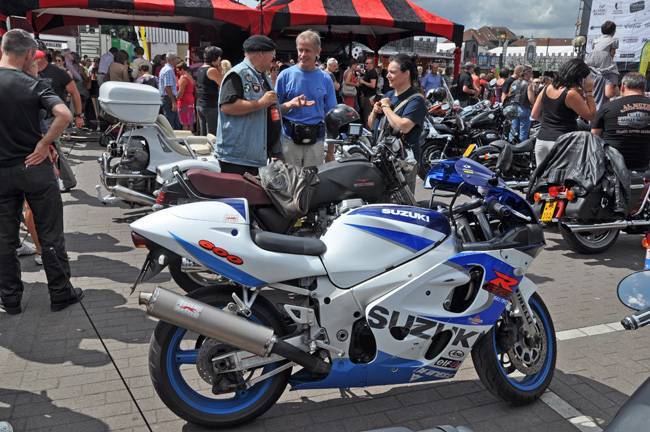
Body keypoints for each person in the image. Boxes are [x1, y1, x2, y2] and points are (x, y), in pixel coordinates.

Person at [0, 29, 83, 315]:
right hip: (34, 166)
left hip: (2, 171)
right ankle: (60, 292)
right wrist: (44, 143)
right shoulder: (33, 84)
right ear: (27, 54)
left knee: (4, 238)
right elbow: (64, 115)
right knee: (50, 233)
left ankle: (10, 298)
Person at [215, 35, 283, 176]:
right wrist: (260, 103)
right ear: (261, 53)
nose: (273, 58)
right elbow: (227, 107)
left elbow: (266, 110)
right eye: (272, 54)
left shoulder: (261, 76)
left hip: (256, 156)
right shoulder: (238, 74)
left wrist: (289, 106)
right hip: (238, 158)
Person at [276, 30, 338, 166]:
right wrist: (290, 104)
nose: (303, 55)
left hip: (316, 142)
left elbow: (332, 117)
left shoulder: (326, 79)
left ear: (318, 51)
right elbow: (274, 111)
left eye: (307, 50)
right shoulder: (285, 76)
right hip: (289, 141)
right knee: (289, 179)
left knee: (313, 178)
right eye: (300, 50)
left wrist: (330, 151)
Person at [367, 53, 426, 190]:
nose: (387, 75)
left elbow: (404, 126)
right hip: (382, 162)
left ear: (406, 74)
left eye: (392, 72)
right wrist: (374, 111)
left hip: (402, 166)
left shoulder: (416, 100)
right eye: (387, 72)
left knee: (400, 202)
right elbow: (371, 125)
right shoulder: (388, 95)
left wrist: (386, 107)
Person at [531, 58, 597, 165]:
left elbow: (534, 114)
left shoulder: (547, 88)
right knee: (563, 176)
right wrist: (589, 92)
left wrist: (550, 124)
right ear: (578, 77)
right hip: (563, 142)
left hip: (542, 140)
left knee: (542, 175)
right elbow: (591, 115)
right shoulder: (571, 94)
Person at [591, 72, 650, 171]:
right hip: (643, 165)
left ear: (622, 87)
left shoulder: (607, 107)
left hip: (613, 166)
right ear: (644, 88)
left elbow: (594, 136)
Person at [586, 20, 620, 110]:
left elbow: (595, 50)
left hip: (592, 63)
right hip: (605, 63)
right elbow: (612, 53)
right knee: (613, 72)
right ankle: (615, 91)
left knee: (594, 87)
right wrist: (609, 63)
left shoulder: (596, 40)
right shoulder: (614, 40)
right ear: (613, 31)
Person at [195, 46, 223, 136]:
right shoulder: (212, 70)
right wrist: (220, 69)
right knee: (212, 135)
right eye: (219, 56)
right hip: (210, 105)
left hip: (200, 104)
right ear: (215, 57)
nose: (220, 59)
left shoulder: (200, 68)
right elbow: (223, 83)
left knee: (203, 133)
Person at [508, 64, 535, 141]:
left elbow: (509, 94)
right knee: (523, 131)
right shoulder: (528, 84)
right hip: (524, 108)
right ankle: (521, 147)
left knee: (513, 129)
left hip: (514, 108)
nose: (531, 74)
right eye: (531, 72)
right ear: (526, 73)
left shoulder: (514, 82)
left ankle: (511, 144)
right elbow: (531, 99)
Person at [158, 52, 181, 129]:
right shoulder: (169, 70)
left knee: (171, 121)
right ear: (172, 60)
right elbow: (167, 87)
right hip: (168, 98)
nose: (178, 60)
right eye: (176, 58)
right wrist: (173, 102)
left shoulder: (165, 69)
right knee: (171, 122)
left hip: (167, 98)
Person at [176, 61, 196, 131]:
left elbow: (181, 92)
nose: (177, 72)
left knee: (185, 123)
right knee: (190, 122)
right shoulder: (190, 76)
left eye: (178, 70)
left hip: (184, 101)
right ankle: (191, 137)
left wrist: (175, 99)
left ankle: (185, 137)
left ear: (182, 69)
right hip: (190, 100)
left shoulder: (183, 78)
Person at [358, 56, 378, 125]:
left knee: (367, 115)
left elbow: (373, 85)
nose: (365, 64)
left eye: (367, 63)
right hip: (366, 96)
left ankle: (368, 130)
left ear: (371, 64)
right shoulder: (369, 72)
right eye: (365, 63)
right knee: (365, 115)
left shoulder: (372, 72)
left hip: (370, 97)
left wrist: (363, 82)